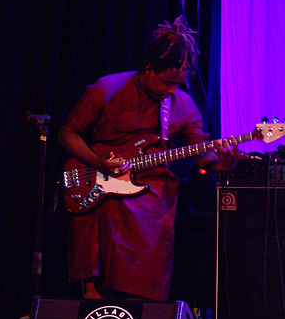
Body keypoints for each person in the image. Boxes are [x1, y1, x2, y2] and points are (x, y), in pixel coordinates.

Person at [58, 16, 238, 301]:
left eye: (177, 84)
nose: (171, 90)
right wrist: (98, 163)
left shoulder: (183, 106)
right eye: (167, 82)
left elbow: (201, 153)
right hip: (98, 182)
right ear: (148, 69)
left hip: (151, 195)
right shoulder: (107, 89)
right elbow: (68, 133)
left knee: (143, 278)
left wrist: (222, 164)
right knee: (94, 259)